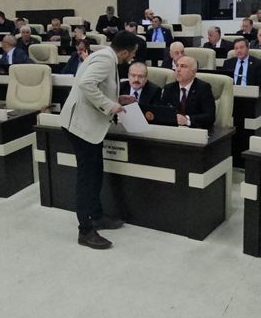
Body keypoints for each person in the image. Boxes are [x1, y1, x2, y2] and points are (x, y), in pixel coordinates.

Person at [59, 31, 142, 249]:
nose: (133, 56)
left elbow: (97, 86)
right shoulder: (106, 59)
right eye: (132, 52)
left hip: (87, 126)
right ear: (124, 51)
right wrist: (110, 105)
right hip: (81, 127)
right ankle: (85, 230)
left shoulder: (105, 56)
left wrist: (117, 98)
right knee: (87, 178)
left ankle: (96, 216)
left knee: (95, 173)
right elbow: (86, 84)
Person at [161, 56, 216, 129]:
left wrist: (186, 120)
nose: (178, 69)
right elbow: (162, 111)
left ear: (193, 72)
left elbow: (210, 116)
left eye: (183, 66)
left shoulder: (203, 88)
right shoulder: (169, 88)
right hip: (172, 129)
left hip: (196, 130)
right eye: (177, 66)